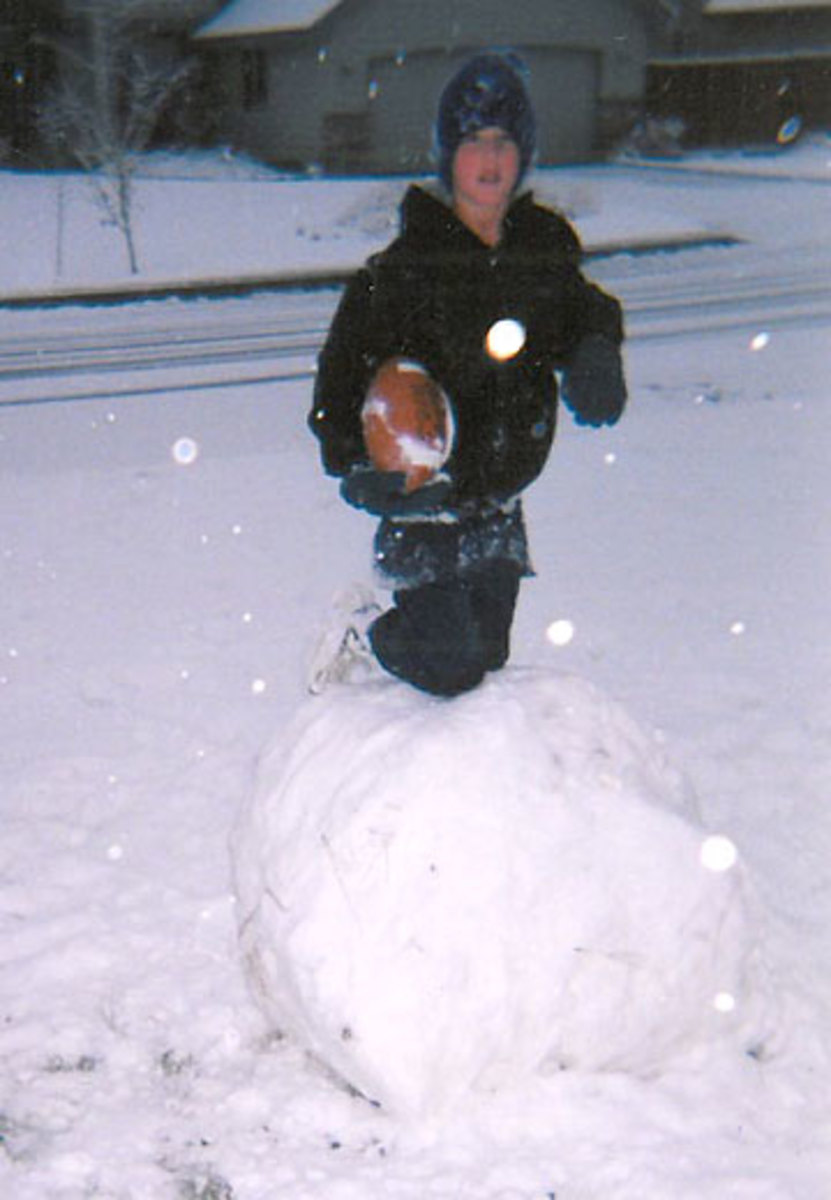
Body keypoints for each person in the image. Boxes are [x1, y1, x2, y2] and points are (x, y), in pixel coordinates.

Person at [309, 51, 626, 698]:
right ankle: (362, 629)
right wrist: (360, 471)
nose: (490, 158)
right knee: (450, 665)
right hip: (425, 503)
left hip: (498, 503)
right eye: (473, 141)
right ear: (448, 155)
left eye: (504, 141)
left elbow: (583, 310)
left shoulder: (539, 252)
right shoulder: (401, 271)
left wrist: (596, 349)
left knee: (485, 659)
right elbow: (337, 386)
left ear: (523, 155)